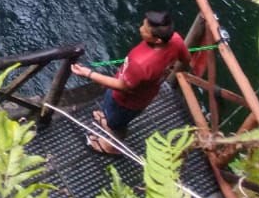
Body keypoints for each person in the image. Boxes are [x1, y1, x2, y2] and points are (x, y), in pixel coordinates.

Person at [72, 10, 192, 156]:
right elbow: (186, 59)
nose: (140, 29)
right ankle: (109, 120)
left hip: (126, 100)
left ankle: (112, 146)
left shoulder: (143, 64)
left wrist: (89, 73)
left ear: (158, 40)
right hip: (145, 94)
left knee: (117, 124)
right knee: (113, 116)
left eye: (145, 29)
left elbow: (121, 86)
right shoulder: (176, 40)